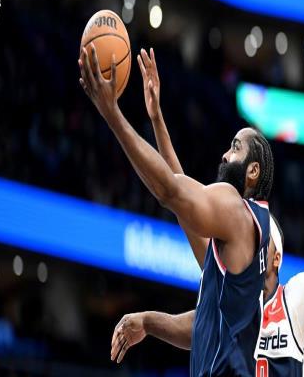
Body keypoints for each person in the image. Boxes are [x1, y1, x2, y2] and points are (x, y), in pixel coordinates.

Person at [108, 49, 304, 376]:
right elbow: (183, 200)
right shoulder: (231, 290)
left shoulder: (295, 298)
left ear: (275, 258)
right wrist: (157, 119)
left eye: (263, 241)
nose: (255, 242)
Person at [79, 45, 276, 376]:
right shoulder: (247, 235)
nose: (225, 155)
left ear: (253, 171)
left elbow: (170, 191)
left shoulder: (235, 206)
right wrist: (157, 119)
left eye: (235, 148)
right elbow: (204, 324)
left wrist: (112, 115)